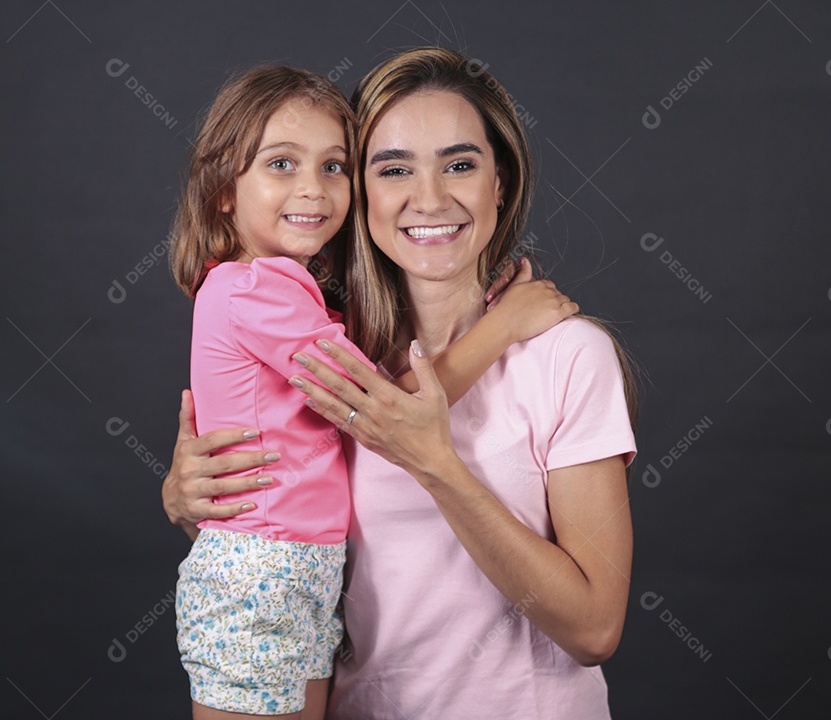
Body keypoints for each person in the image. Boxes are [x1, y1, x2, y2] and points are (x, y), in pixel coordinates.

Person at [164, 48, 637, 720]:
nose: (431, 197)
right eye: (393, 169)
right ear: (366, 193)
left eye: (461, 164)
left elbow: (595, 630)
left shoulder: (568, 356)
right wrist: (194, 507)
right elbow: (287, 535)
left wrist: (438, 464)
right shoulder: (334, 354)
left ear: (499, 184)